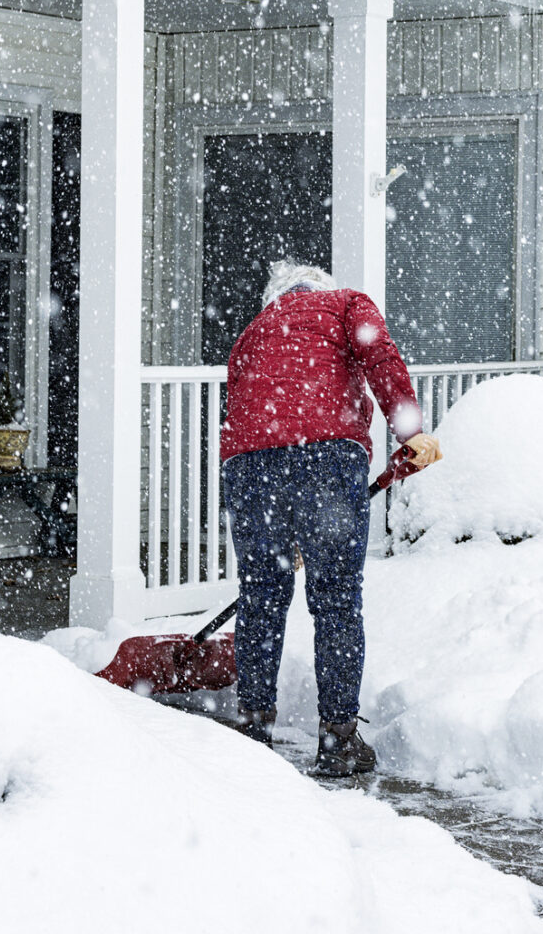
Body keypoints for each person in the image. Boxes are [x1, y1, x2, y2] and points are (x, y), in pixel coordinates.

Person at [219, 260, 441, 776]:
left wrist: (275, 503)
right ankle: (338, 740)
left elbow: (246, 408)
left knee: (262, 597)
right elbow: (381, 358)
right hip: (326, 461)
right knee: (336, 599)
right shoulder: (345, 304)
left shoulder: (253, 330)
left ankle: (253, 727)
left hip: (250, 468)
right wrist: (411, 433)